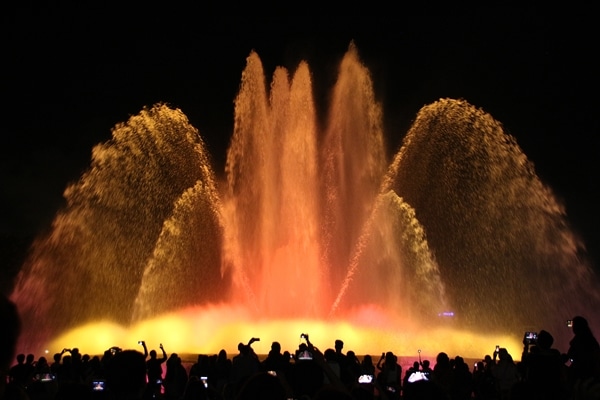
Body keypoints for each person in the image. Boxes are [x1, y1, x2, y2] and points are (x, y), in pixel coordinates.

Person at [567, 316, 600, 386]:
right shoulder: (592, 340)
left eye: (574, 325)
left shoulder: (577, 341)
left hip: (581, 374)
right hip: (592, 374)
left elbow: (570, 354)